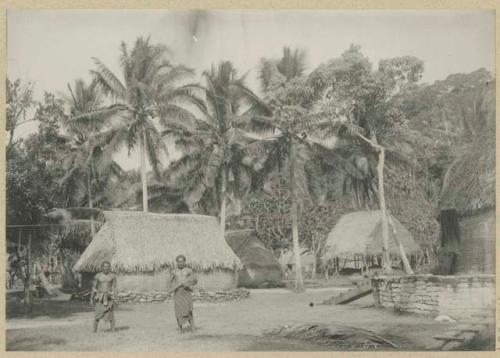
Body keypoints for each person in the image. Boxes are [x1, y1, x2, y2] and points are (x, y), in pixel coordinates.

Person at [168, 255, 197, 333]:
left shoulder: (189, 270)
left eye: (182, 261)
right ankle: (180, 329)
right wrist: (170, 289)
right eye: (179, 261)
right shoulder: (174, 271)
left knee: (188, 310)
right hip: (177, 292)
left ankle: (193, 328)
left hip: (186, 292)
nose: (180, 263)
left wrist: (188, 284)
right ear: (176, 262)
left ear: (184, 262)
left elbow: (195, 280)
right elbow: (169, 282)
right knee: (178, 311)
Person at [90, 261, 117, 333]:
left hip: (109, 297)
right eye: (105, 267)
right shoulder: (98, 276)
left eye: (108, 267)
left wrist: (116, 298)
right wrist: (91, 298)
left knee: (111, 314)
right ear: (102, 267)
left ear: (109, 267)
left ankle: (113, 330)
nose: (106, 268)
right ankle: (94, 330)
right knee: (97, 314)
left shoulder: (112, 276)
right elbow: (94, 287)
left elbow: (115, 287)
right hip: (99, 297)